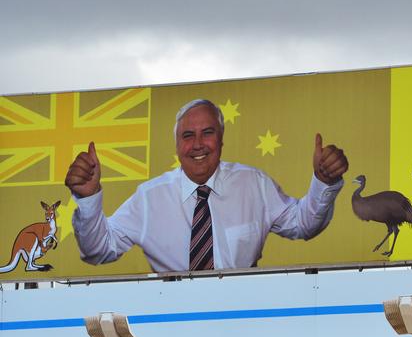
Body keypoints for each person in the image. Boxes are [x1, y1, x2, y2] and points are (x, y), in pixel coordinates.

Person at [65, 99, 349, 272]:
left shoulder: (253, 184)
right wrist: (87, 200)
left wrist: (324, 182)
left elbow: (303, 224)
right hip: (170, 327)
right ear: (177, 146)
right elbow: (98, 250)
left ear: (221, 139)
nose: (198, 145)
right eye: (188, 136)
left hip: (242, 322)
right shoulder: (150, 198)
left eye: (208, 133)